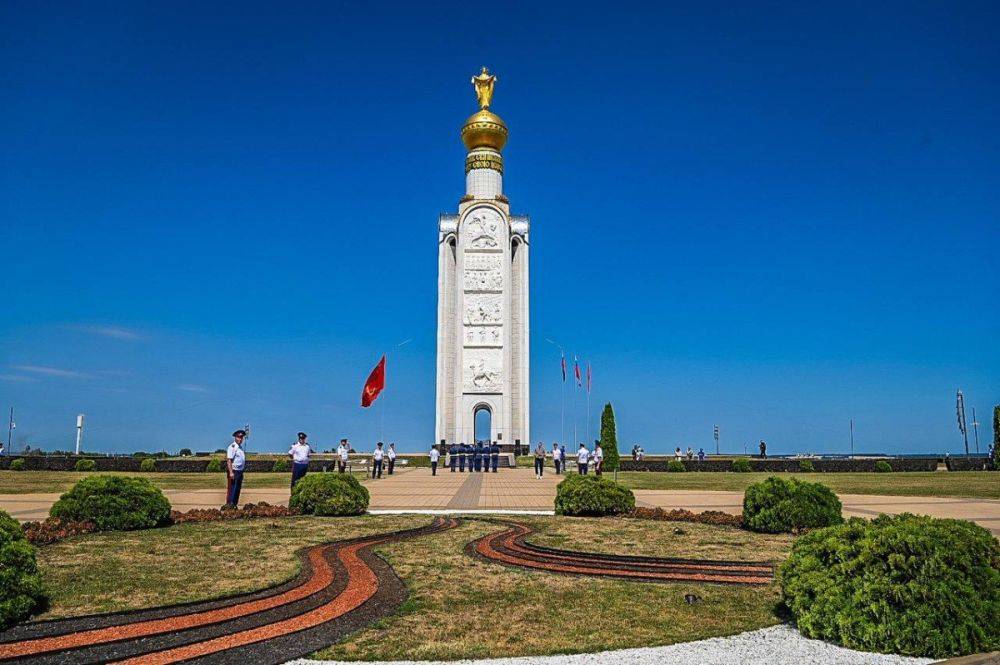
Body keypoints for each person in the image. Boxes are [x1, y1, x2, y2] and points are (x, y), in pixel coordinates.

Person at [225, 429, 247, 507]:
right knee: (232, 489)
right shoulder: (232, 447)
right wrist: (231, 472)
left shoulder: (240, 448)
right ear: (235, 437)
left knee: (237, 489)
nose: (240, 439)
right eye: (239, 437)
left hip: (240, 471)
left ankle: (234, 505)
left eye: (242, 437)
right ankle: (229, 505)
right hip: (234, 471)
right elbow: (229, 460)